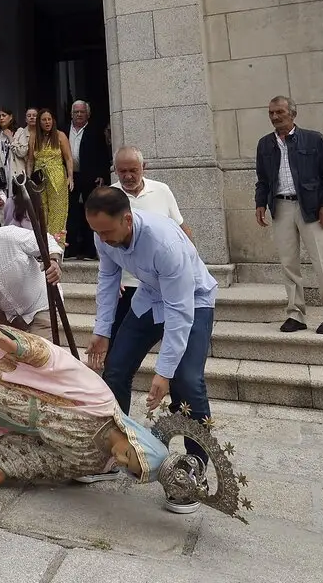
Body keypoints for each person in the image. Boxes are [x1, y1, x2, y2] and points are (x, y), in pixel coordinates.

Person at [0, 276, 235, 519]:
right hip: (6, 374)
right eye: (130, 456)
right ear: (136, 439)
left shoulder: (88, 459)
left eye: (128, 471)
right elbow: (56, 362)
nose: (119, 461)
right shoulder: (98, 400)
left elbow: (44, 459)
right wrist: (15, 344)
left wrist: (8, 468)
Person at [84, 187, 217, 514]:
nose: (101, 239)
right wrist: (102, 331)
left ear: (127, 219)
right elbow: (107, 279)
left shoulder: (164, 243)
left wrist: (164, 373)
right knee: (115, 368)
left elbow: (180, 311)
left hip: (193, 302)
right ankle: (118, 449)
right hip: (149, 299)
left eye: (107, 231)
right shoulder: (106, 236)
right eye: (96, 232)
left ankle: (193, 465)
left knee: (187, 380)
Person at [254, 95, 323, 334]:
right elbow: (262, 180)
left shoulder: (314, 140)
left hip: (312, 207)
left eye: (279, 112)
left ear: (292, 114)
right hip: (281, 207)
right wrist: (260, 204)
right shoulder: (265, 144)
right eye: (271, 113)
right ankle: (296, 314)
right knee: (288, 263)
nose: (275, 117)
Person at [110, 146, 194, 343]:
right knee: (119, 344)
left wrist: (191, 268)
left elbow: (182, 231)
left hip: (164, 282)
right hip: (128, 284)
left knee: (176, 340)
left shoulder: (162, 190)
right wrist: (113, 280)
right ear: (115, 170)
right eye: (122, 171)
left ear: (143, 167)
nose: (128, 176)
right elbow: (106, 243)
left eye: (133, 170)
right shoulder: (109, 196)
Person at [64, 101, 111, 260]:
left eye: (82, 112)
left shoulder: (95, 130)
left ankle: (90, 250)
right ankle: (71, 249)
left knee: (90, 211)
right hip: (70, 177)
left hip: (89, 176)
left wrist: (102, 174)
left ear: (87, 114)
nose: (78, 115)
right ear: (71, 114)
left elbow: (103, 154)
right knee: (71, 213)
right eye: (76, 112)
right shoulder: (64, 129)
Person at [27, 108, 73, 244]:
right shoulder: (34, 137)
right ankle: (43, 246)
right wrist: (28, 179)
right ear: (39, 122)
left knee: (58, 211)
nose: (47, 122)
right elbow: (30, 160)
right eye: (44, 120)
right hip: (39, 178)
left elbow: (68, 158)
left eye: (49, 119)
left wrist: (70, 176)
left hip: (57, 176)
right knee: (41, 211)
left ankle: (57, 246)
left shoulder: (60, 136)